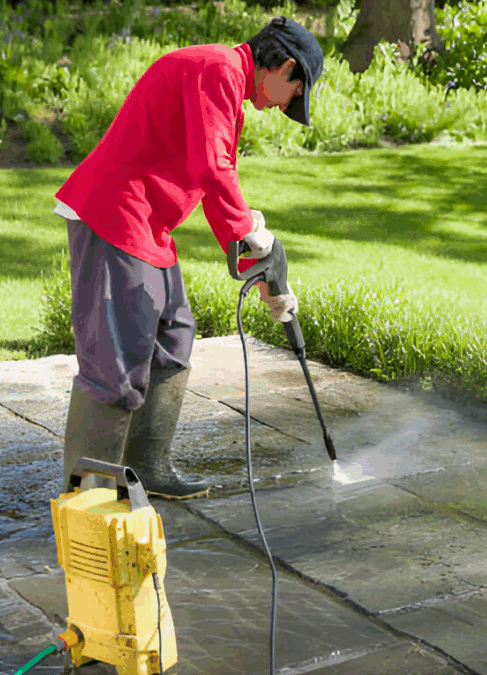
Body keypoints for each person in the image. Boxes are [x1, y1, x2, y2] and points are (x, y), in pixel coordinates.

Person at [52, 17, 324, 498]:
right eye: (293, 91)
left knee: (173, 330)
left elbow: (211, 175)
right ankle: (89, 498)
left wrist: (254, 265)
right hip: (114, 213)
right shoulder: (216, 70)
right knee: (115, 357)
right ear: (281, 67)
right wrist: (249, 235)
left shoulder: (225, 80)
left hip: (146, 222)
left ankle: (146, 471)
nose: (285, 105)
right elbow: (213, 170)